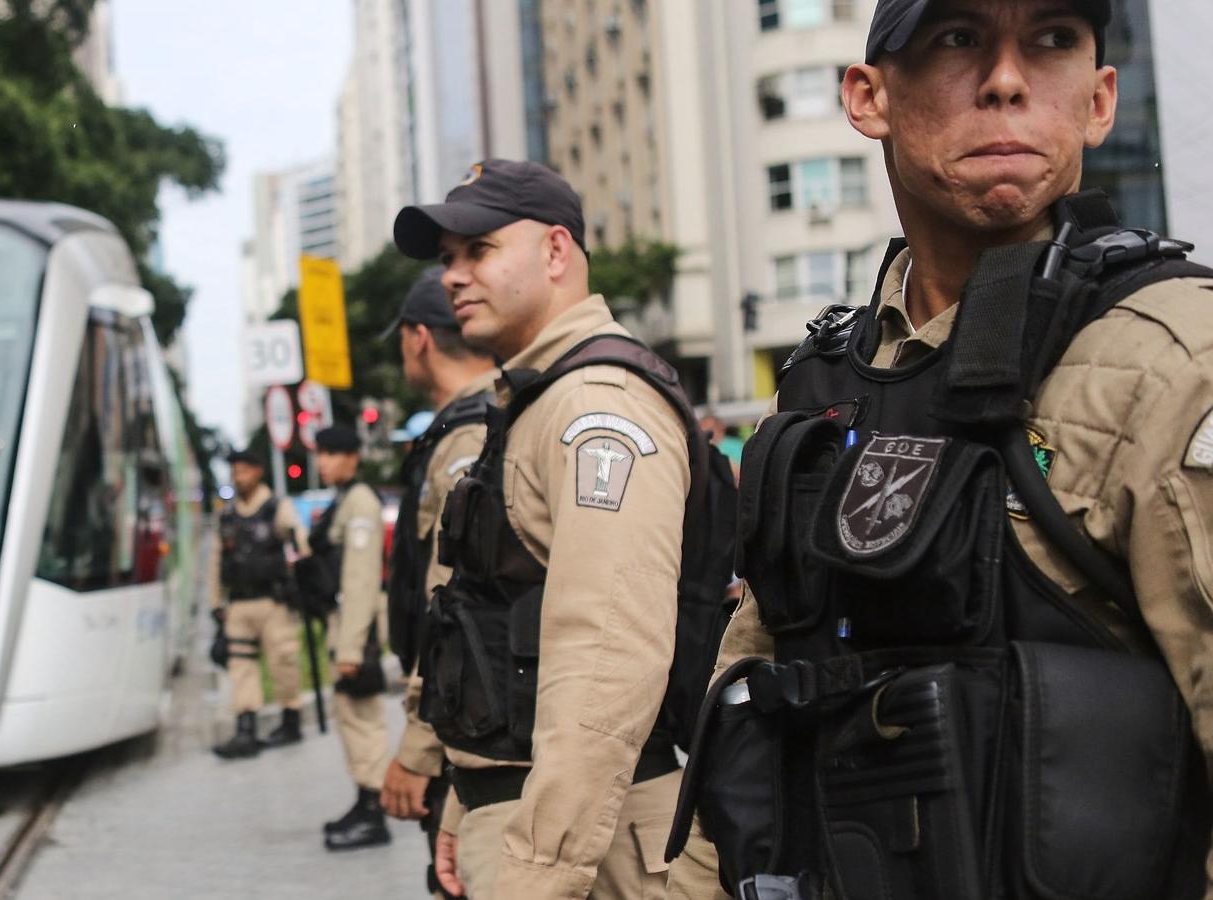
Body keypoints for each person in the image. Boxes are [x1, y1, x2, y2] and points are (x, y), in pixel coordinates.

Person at [666, 2, 1213, 898]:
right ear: (868, 96)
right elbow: (754, 697)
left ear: (1101, 99)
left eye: (1052, 41)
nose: (1006, 80)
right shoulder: (827, 377)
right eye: (958, 39)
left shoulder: (1173, 355)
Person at [392, 158, 726, 899]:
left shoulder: (594, 406)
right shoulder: (536, 397)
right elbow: (486, 618)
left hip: (585, 847)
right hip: (524, 815)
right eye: (448, 260)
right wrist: (461, 800)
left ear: (554, 251)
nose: (453, 277)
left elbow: (606, 658)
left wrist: (540, 875)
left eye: (478, 251)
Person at [379, 268, 497, 897]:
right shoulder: (487, 417)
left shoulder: (467, 437)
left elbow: (456, 604)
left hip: (469, 733)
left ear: (419, 337)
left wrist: (419, 747)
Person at [314, 424, 394, 851]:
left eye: (331, 454)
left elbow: (361, 580)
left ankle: (374, 811)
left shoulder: (359, 502)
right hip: (344, 626)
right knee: (351, 717)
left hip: (355, 631)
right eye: (320, 454)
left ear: (352, 458)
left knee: (363, 720)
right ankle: (364, 800)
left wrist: (350, 648)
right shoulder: (345, 499)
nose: (322, 462)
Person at [208, 449, 309, 760]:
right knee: (241, 667)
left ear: (258, 471)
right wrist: (215, 602)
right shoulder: (226, 515)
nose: (239, 477)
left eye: (244, 470)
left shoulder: (276, 508)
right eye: (235, 471)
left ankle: (291, 722)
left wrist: (299, 583)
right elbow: (216, 560)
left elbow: (299, 545)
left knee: (283, 662)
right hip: (238, 604)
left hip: (273, 601)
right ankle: (246, 730)